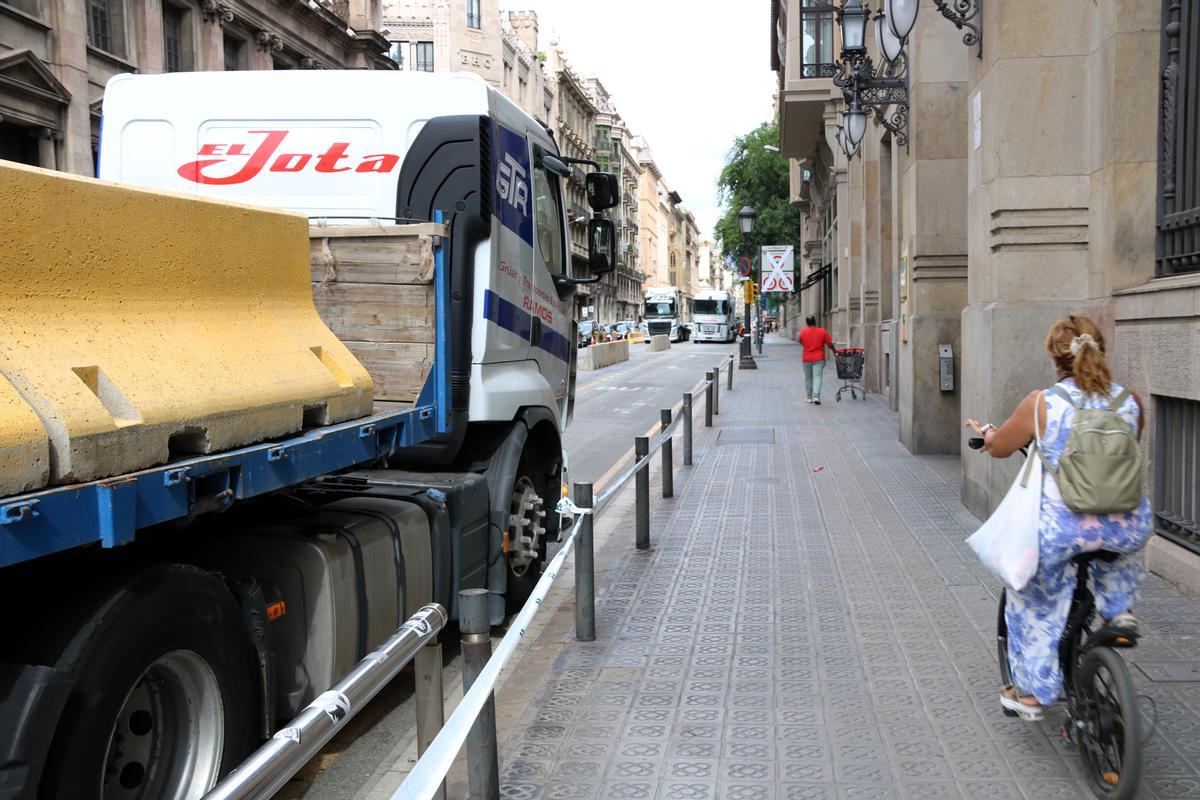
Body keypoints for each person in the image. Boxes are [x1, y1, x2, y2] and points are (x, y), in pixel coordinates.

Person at [965, 314, 1152, 721]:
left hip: (1064, 530)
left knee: (1033, 602)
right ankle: (1120, 611)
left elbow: (999, 448)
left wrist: (989, 434)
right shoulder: (1131, 401)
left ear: (1055, 357)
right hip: (1127, 523)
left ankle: (1031, 694)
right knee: (1118, 548)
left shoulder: (1042, 403)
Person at [797, 315, 836, 404]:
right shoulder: (822, 331)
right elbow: (829, 344)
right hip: (819, 358)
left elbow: (800, 341)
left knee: (808, 378)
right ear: (815, 322)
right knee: (817, 377)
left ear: (807, 323)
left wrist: (807, 347)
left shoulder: (803, 332)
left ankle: (809, 397)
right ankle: (816, 397)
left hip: (806, 358)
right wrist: (834, 351)